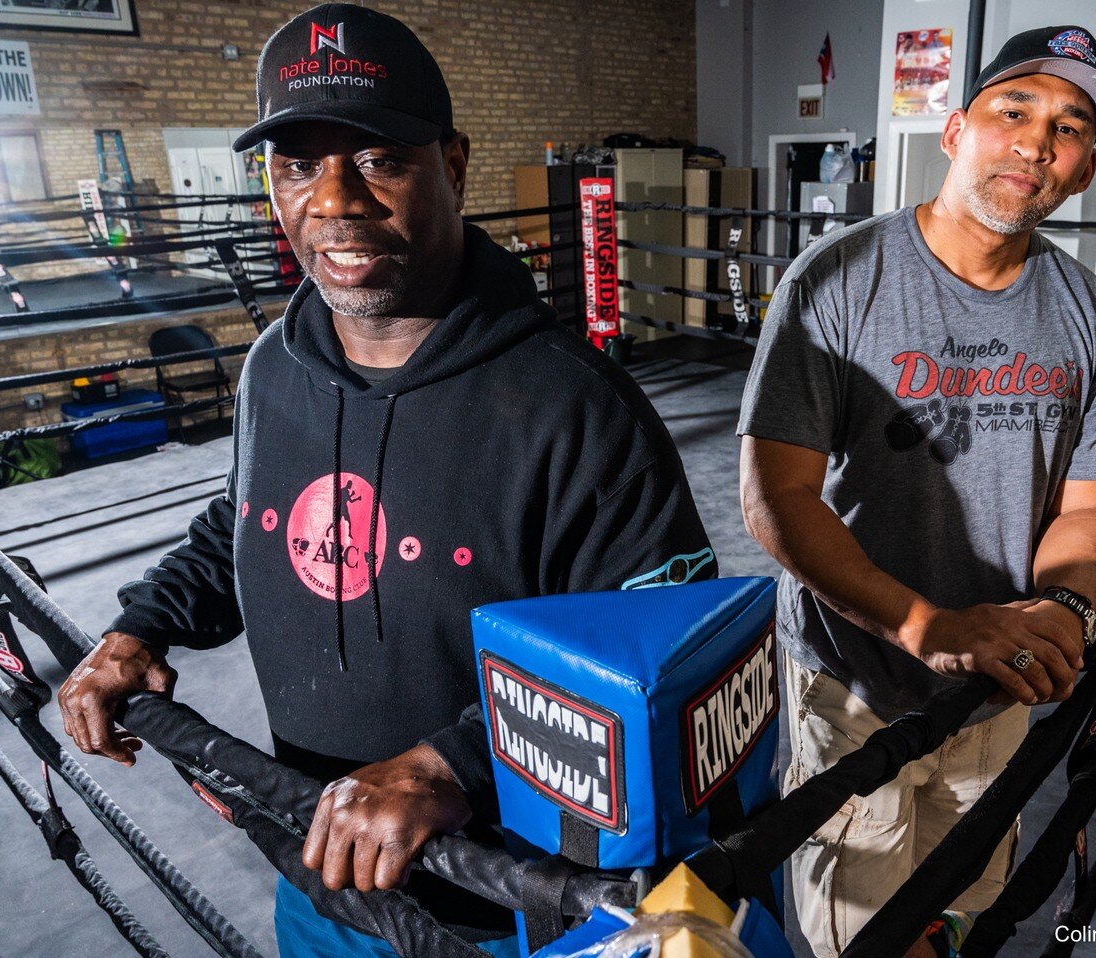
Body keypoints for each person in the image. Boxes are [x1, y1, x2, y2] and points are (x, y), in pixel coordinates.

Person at [56, 5, 716, 955]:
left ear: (451, 164)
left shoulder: (575, 407)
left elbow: (655, 663)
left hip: (504, 907)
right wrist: (140, 626)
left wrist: (447, 764)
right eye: (298, 165)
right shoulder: (276, 368)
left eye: (375, 158)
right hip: (314, 872)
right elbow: (247, 518)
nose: (334, 200)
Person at [737, 24, 1096, 958]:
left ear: (1081, 172)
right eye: (1014, 109)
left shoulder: (1089, 315)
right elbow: (777, 498)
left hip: (1002, 690)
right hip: (857, 683)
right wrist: (928, 626)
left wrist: (1065, 609)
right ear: (955, 131)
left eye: (1070, 129)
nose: (1037, 140)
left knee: (967, 906)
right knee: (865, 938)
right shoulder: (835, 280)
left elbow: (1092, 508)